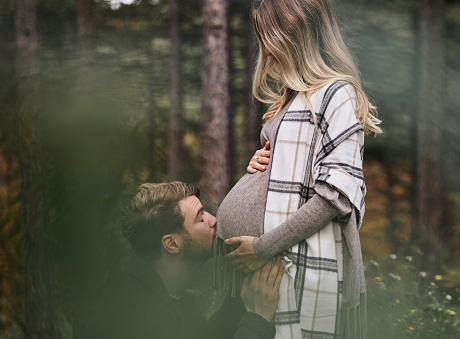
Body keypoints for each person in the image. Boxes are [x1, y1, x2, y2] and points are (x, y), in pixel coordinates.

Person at [214, 0, 382, 338]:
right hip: (273, 268)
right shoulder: (291, 99)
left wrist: (263, 247)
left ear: (293, 35)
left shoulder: (337, 95)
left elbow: (334, 196)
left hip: (293, 264)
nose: (264, 48)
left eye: (268, 35)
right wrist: (257, 168)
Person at [85, 182, 284, 339]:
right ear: (172, 244)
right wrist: (258, 319)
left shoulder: (164, 291)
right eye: (200, 218)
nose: (213, 219)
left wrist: (242, 300)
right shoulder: (135, 319)